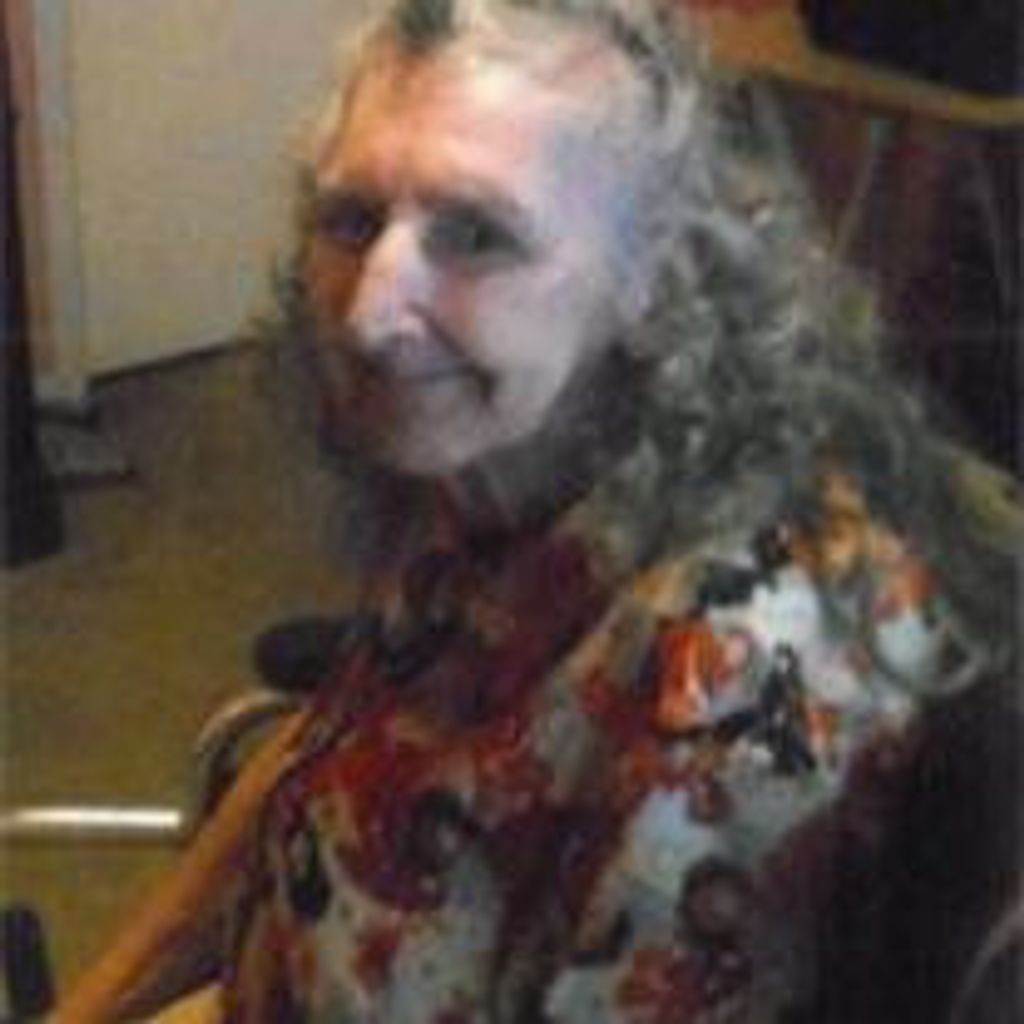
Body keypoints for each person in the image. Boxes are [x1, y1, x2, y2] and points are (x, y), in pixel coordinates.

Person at [60, 0, 1021, 1020]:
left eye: (477, 236)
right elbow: (335, 759)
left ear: (652, 283)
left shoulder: (733, 689)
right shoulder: (498, 450)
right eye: (351, 220)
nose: (369, 314)